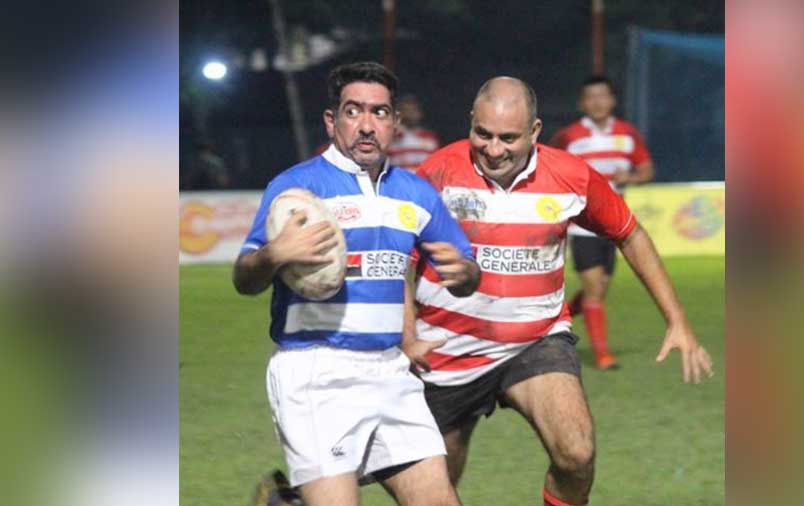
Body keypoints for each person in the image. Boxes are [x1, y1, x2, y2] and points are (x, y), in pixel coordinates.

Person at [403, 77, 713, 506]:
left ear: (534, 131)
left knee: (577, 453)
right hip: (446, 352)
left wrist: (676, 319)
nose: (494, 149)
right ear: (470, 123)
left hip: (536, 342)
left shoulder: (571, 176)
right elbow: (404, 261)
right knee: (436, 486)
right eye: (483, 134)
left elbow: (630, 233)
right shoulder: (437, 171)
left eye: (508, 138)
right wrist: (405, 337)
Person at [233, 61, 480, 506]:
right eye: (353, 111)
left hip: (391, 370)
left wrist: (464, 275)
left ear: (395, 122)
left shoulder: (416, 193)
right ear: (332, 120)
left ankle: (285, 501)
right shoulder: (296, 189)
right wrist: (273, 255)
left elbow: (467, 272)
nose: (367, 125)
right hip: (316, 371)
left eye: (380, 113)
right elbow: (244, 277)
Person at [549, 75, 655, 369]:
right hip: (582, 225)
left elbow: (647, 170)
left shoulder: (627, 134)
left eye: (602, 96)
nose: (597, 102)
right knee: (595, 289)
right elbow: (547, 165)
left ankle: (558, 318)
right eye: (591, 97)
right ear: (583, 103)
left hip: (614, 224)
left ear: (612, 100)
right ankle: (602, 355)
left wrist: (631, 177)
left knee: (598, 289)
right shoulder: (569, 136)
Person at [386, 94, 441, 172]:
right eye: (407, 110)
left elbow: (436, 164)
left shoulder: (430, 138)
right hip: (399, 181)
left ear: (419, 113)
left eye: (413, 110)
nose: (411, 113)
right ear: (399, 113)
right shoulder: (391, 136)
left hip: (423, 181)